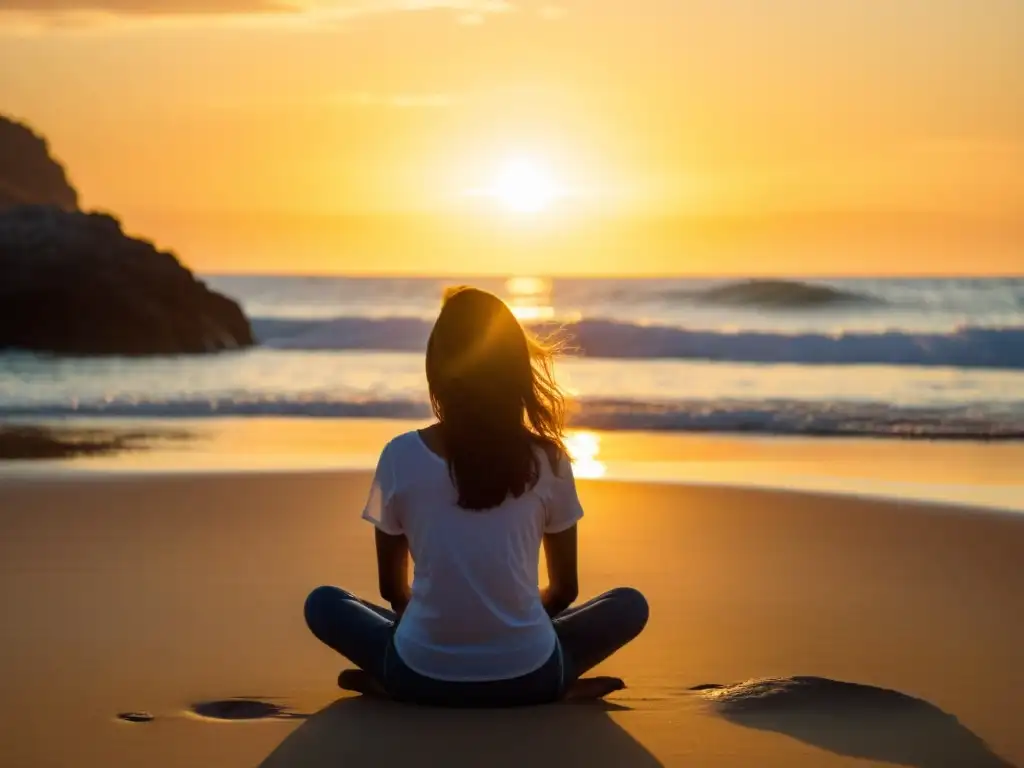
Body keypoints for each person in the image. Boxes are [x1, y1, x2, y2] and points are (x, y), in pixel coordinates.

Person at [304, 286, 648, 707]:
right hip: (530, 676)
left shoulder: (400, 455)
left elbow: (393, 591)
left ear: (437, 370)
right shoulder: (550, 459)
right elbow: (564, 592)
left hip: (420, 675)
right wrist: (505, 617)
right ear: (516, 371)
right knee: (629, 605)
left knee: (324, 604)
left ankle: (393, 682)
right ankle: (554, 681)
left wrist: (451, 625)